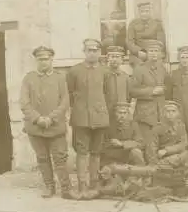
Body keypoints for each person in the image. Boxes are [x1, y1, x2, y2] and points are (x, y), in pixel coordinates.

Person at [20, 46, 78, 199]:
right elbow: (24, 103)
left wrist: (51, 118)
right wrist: (37, 118)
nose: (43, 62)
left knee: (60, 158)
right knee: (42, 158)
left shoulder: (60, 78)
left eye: (46, 59)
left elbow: (65, 101)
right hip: (35, 127)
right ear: (36, 60)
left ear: (52, 59)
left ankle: (66, 189)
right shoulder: (28, 78)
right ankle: (49, 186)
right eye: (40, 59)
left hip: (55, 126)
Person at [67, 39, 110, 200]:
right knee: (82, 152)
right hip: (81, 118)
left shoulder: (105, 71)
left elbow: (108, 94)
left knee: (96, 152)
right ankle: (82, 185)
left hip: (100, 117)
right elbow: (70, 94)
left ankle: (94, 185)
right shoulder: (74, 71)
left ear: (99, 52)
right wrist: (79, 109)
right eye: (89, 50)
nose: (92, 53)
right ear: (84, 52)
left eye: (95, 50)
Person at [129, 39, 171, 154]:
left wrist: (164, 90)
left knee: (158, 142)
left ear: (160, 53)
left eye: (156, 51)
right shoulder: (139, 69)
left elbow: (167, 86)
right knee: (147, 143)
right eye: (151, 50)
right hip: (145, 113)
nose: (154, 53)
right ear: (147, 53)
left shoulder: (162, 69)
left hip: (160, 111)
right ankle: (146, 168)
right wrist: (152, 91)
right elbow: (132, 91)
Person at [100, 102, 146, 167]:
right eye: (120, 113)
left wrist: (122, 144)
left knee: (136, 152)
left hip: (127, 155)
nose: (122, 116)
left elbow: (141, 143)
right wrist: (110, 143)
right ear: (115, 113)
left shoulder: (133, 125)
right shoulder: (107, 126)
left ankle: (141, 173)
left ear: (128, 114)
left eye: (125, 113)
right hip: (111, 157)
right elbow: (101, 144)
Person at [146, 101, 188, 167]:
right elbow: (151, 148)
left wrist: (167, 150)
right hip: (162, 158)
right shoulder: (158, 128)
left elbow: (183, 144)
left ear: (178, 113)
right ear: (164, 113)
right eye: (168, 111)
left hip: (178, 156)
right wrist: (154, 163)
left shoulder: (181, 126)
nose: (171, 114)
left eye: (173, 111)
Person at [126, 1, 166, 68]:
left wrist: (152, 52)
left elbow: (161, 42)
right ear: (139, 12)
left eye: (147, 11)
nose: (144, 14)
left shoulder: (157, 24)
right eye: (142, 11)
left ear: (150, 12)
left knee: (157, 66)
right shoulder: (133, 24)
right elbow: (129, 42)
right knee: (139, 67)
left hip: (154, 52)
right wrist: (138, 51)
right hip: (138, 54)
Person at [103, 46, 133, 125]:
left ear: (122, 59)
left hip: (121, 115)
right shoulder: (102, 75)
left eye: (117, 57)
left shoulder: (125, 77)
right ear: (108, 58)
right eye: (112, 56)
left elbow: (128, 96)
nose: (115, 59)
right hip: (106, 113)